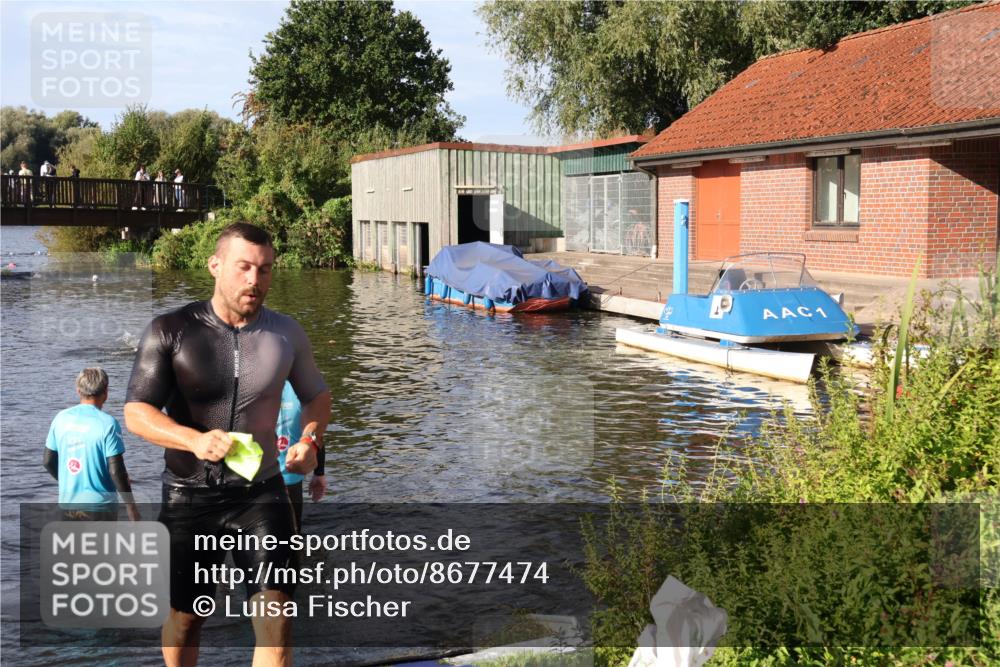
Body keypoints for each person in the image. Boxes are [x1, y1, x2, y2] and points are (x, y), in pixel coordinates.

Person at [124, 222, 331, 667]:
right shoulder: (171, 330)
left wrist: (310, 439)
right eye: (244, 267)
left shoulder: (286, 333)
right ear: (215, 266)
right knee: (186, 619)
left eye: (265, 269)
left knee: (277, 616)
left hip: (262, 492)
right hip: (188, 495)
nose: (255, 280)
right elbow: (137, 412)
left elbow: (317, 395)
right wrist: (193, 440)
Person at [43, 368, 141, 522]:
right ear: (106, 392)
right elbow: (116, 470)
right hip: (101, 508)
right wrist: (131, 507)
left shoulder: (60, 418)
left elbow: (48, 461)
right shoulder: (108, 424)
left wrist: (69, 482)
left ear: (78, 390)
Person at [275, 381, 327, 531]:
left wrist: (319, 473)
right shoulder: (304, 388)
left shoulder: (248, 384)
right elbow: (315, 436)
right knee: (291, 534)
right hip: (290, 478)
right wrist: (319, 474)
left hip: (261, 478)